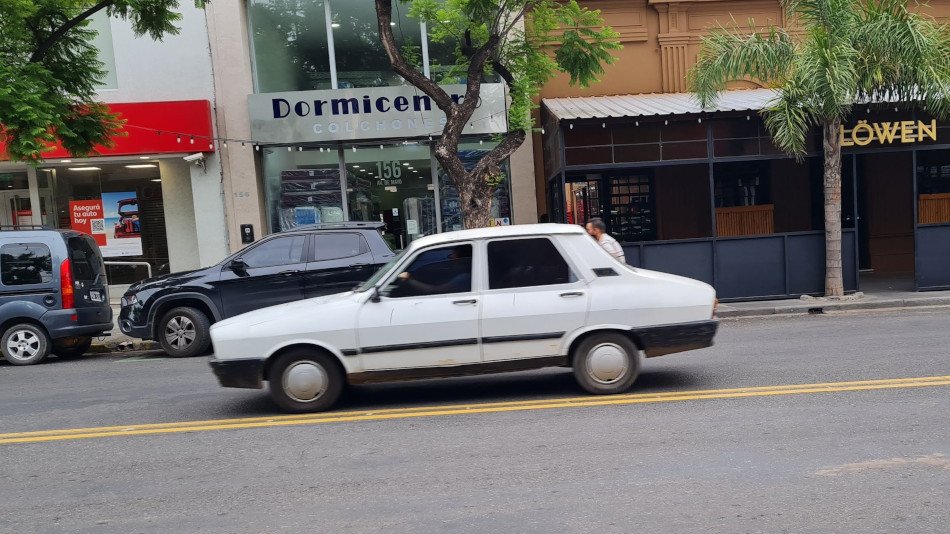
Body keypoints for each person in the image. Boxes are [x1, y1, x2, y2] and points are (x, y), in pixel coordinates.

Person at [397, 245, 471, 295]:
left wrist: (409, 279)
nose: (451, 257)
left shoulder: (464, 277)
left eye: (454, 254)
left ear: (460, 258)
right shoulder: (461, 273)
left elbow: (433, 290)